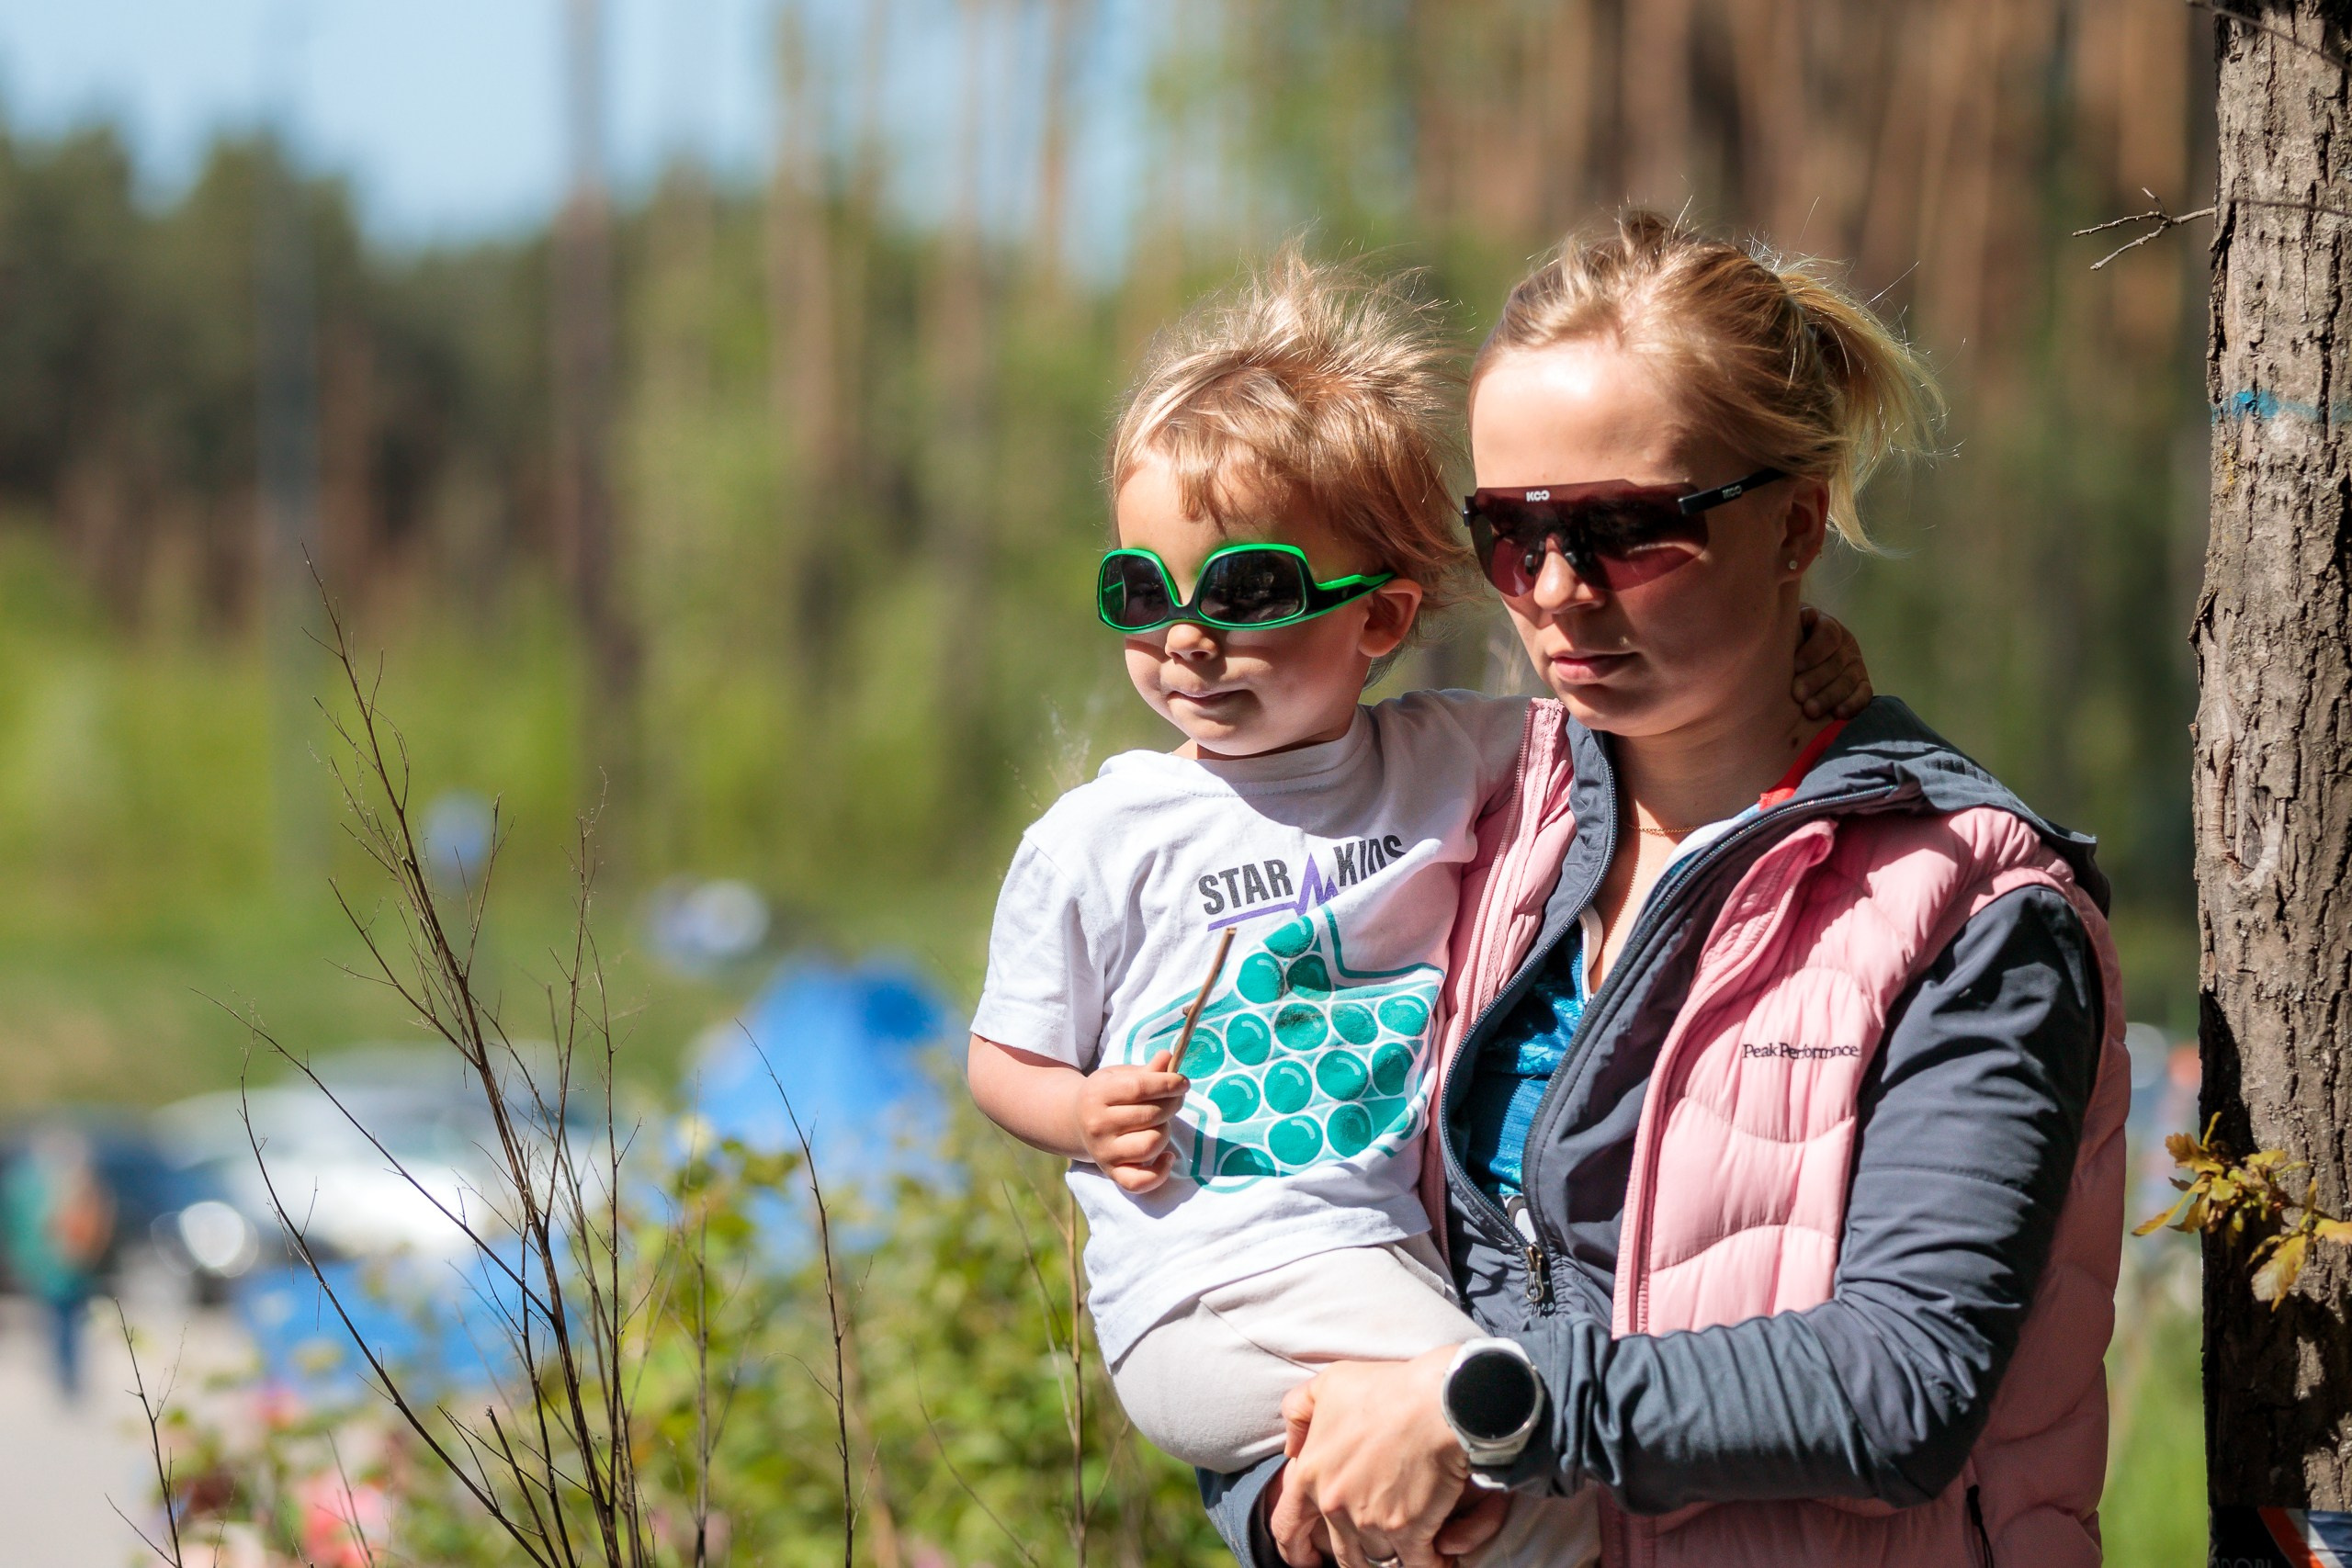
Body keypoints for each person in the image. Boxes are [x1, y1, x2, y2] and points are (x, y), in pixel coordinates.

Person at [1206, 211, 2129, 1568]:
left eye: (1632, 531)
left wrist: (1487, 1412)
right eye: (1512, 535)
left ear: (1795, 524)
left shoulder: (1974, 906)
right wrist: (1289, 1499)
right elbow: (1292, 1203)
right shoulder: (1470, 819)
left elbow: (1903, 1383)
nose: (1560, 594)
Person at [963, 250, 1871, 1568]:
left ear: (1383, 615)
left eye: (1246, 592)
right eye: (1140, 594)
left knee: (1453, 1510)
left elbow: (1644, 725)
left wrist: (1817, 668)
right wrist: (1078, 1115)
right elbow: (1002, 1057)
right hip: (1210, 1280)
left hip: (1373, 1261)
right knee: (1531, 1463)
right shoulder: (1100, 839)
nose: (1185, 638)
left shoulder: (1446, 759)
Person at [3, 1125, 116, 1400]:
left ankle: (66, 1373)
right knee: (64, 1321)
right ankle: (66, 1373)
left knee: (63, 1321)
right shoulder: (48, 1185)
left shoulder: (52, 1186)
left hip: (65, 1266)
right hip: (62, 1266)